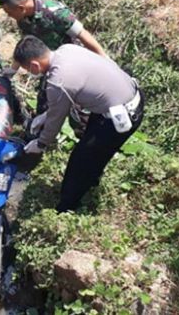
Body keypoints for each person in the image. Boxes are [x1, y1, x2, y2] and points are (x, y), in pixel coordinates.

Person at [14, 35, 145, 212]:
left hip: (121, 117)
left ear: (34, 65)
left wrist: (40, 143)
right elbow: (62, 103)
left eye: (28, 69)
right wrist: (44, 116)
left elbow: (56, 122)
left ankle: (66, 207)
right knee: (93, 151)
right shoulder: (67, 50)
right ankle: (91, 181)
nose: (31, 73)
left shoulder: (57, 82)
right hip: (129, 99)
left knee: (79, 162)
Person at [0, 0, 107, 114]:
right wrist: (13, 69)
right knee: (45, 105)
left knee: (79, 108)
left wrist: (104, 60)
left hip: (73, 63)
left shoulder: (54, 12)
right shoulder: (22, 19)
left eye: (9, 13)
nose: (9, 16)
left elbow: (82, 35)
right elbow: (27, 44)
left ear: (21, 8)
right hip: (49, 63)